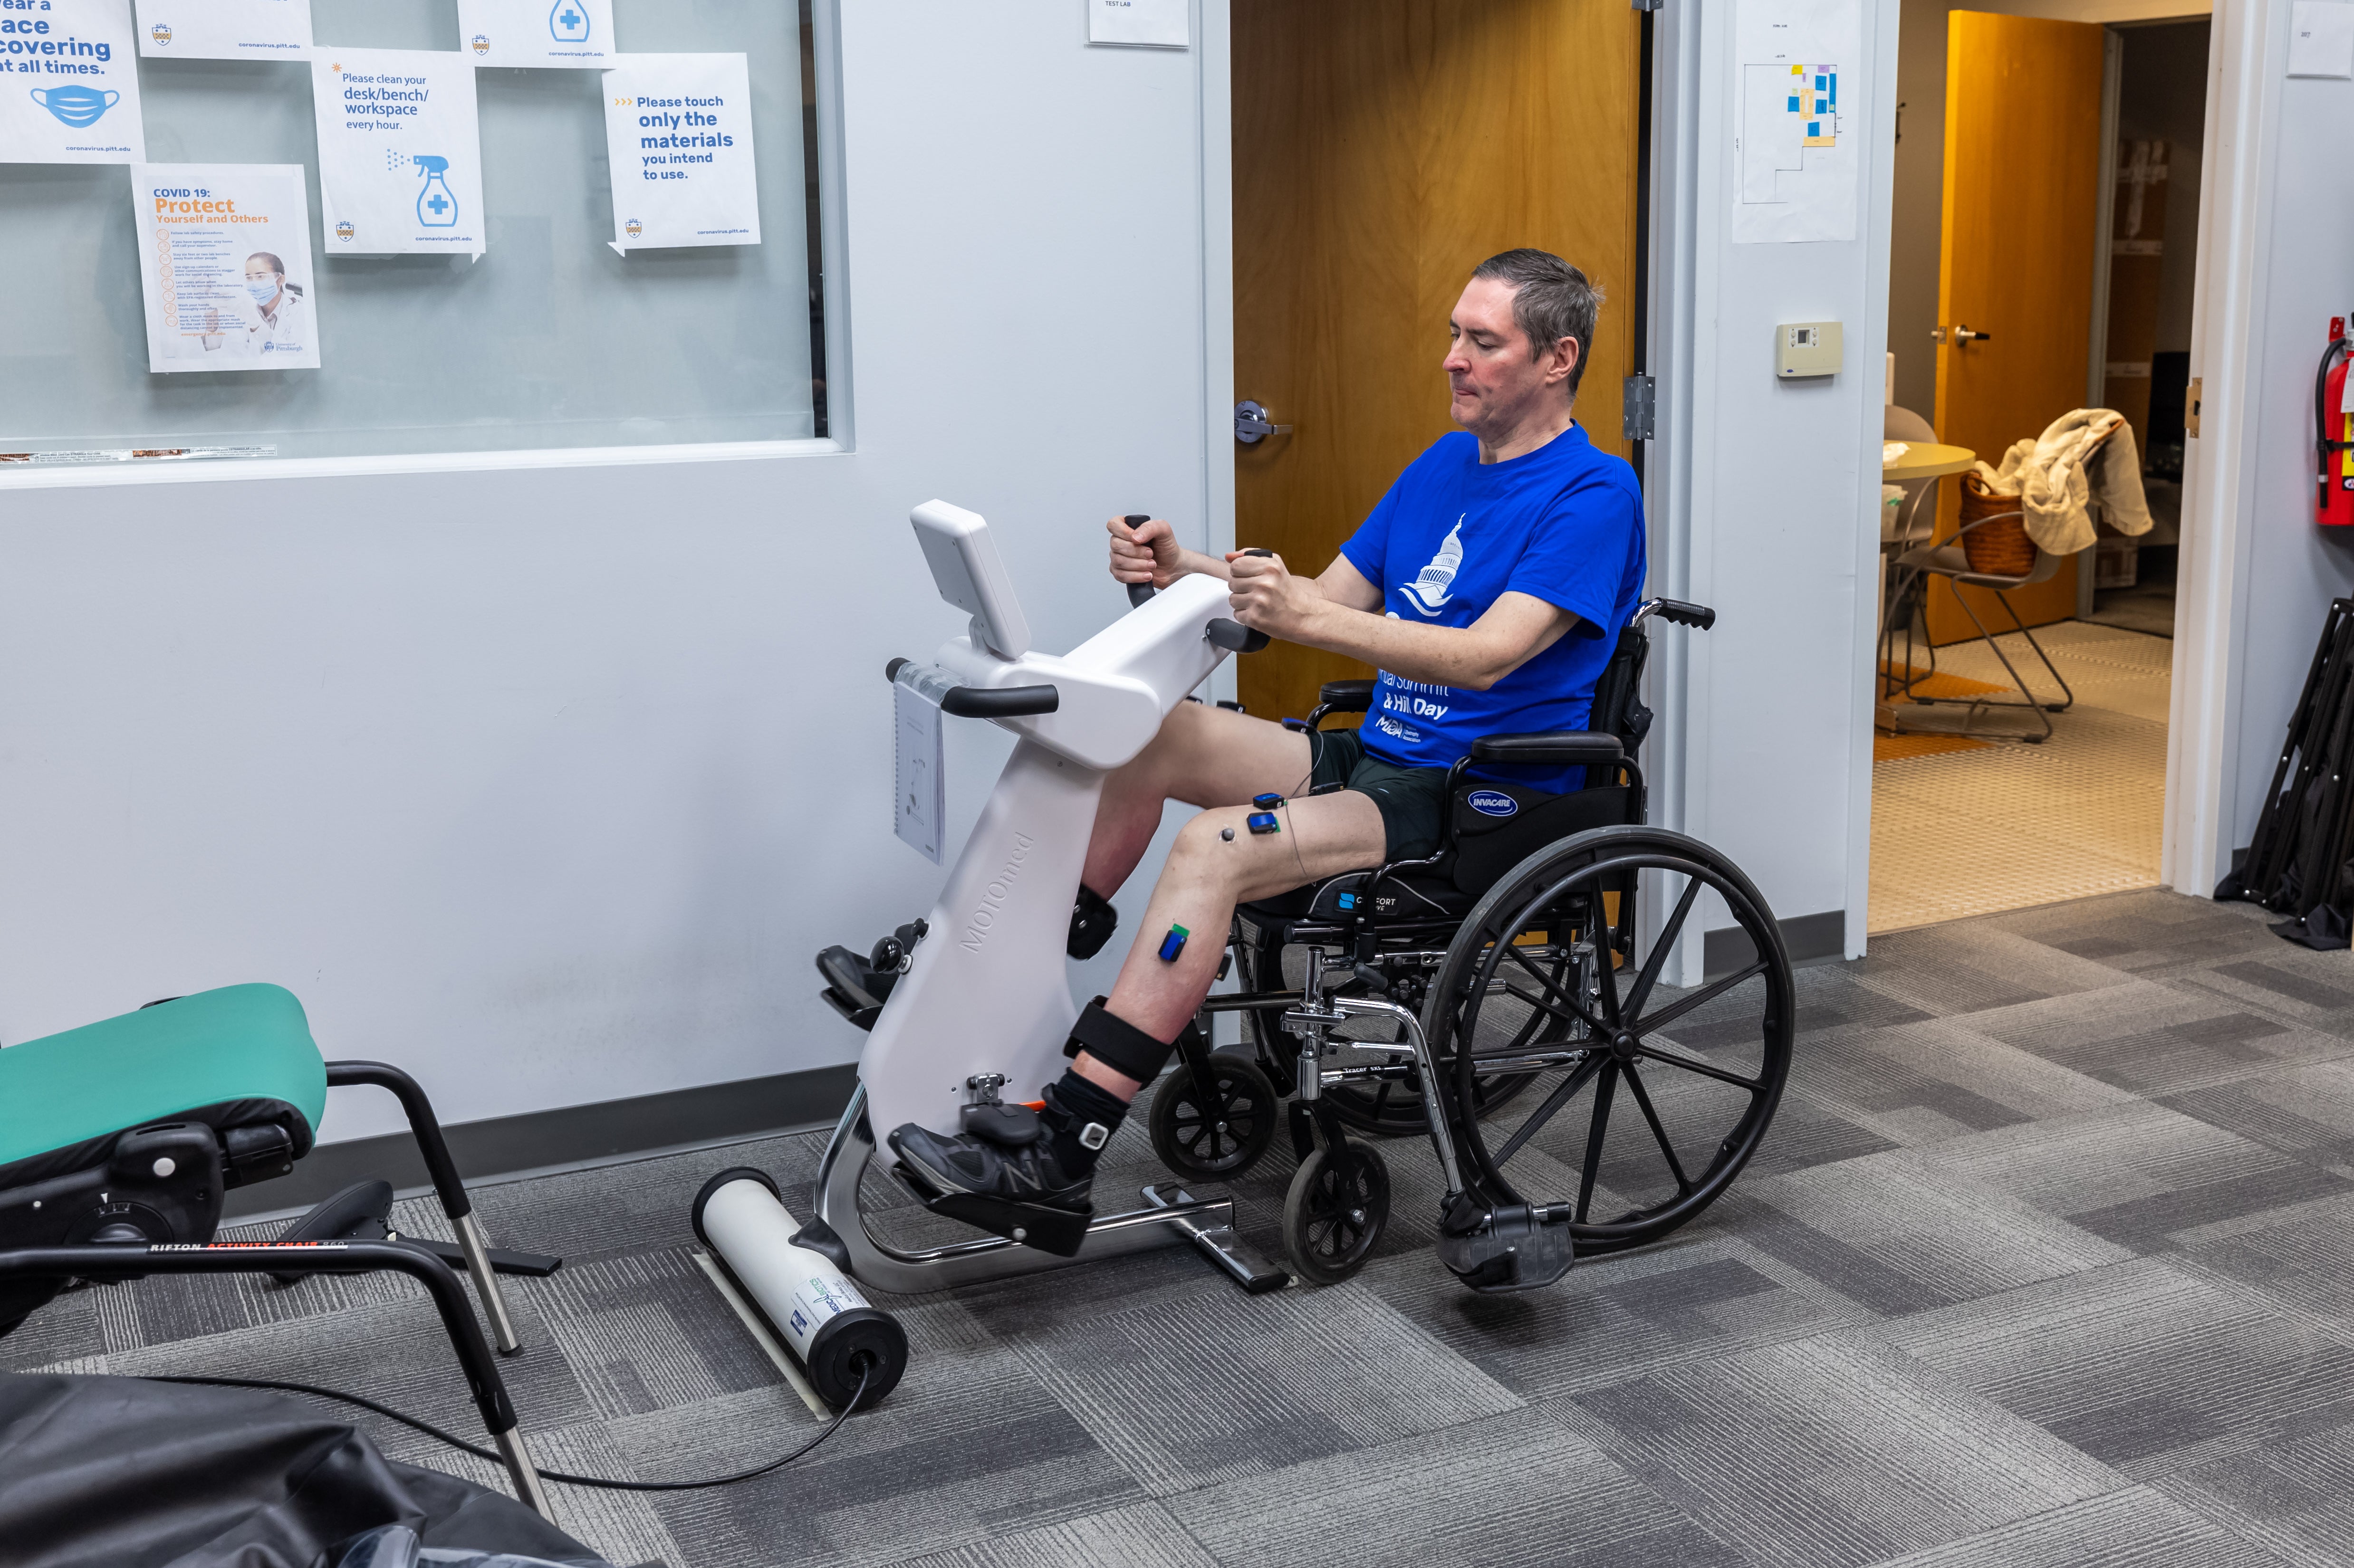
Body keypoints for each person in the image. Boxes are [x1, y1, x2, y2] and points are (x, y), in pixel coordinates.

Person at [876, 248, 1647, 1227]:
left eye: (1480, 341)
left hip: (1473, 792)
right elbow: (1320, 600)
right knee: (1148, 733)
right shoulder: (1444, 465)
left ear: (1555, 360)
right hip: (1379, 757)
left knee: (1215, 846)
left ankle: (1064, 1149)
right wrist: (1183, 563)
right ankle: (1014, 945)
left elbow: (1489, 657)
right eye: (1455, 333)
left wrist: (1304, 616)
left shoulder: (1593, 493)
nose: (1451, 358)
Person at [239, 252, 306, 355]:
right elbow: (237, 356)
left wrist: (257, 326)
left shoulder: (300, 312)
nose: (254, 284)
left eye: (260, 276)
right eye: (249, 278)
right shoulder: (245, 314)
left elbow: (293, 356)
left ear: (281, 280)